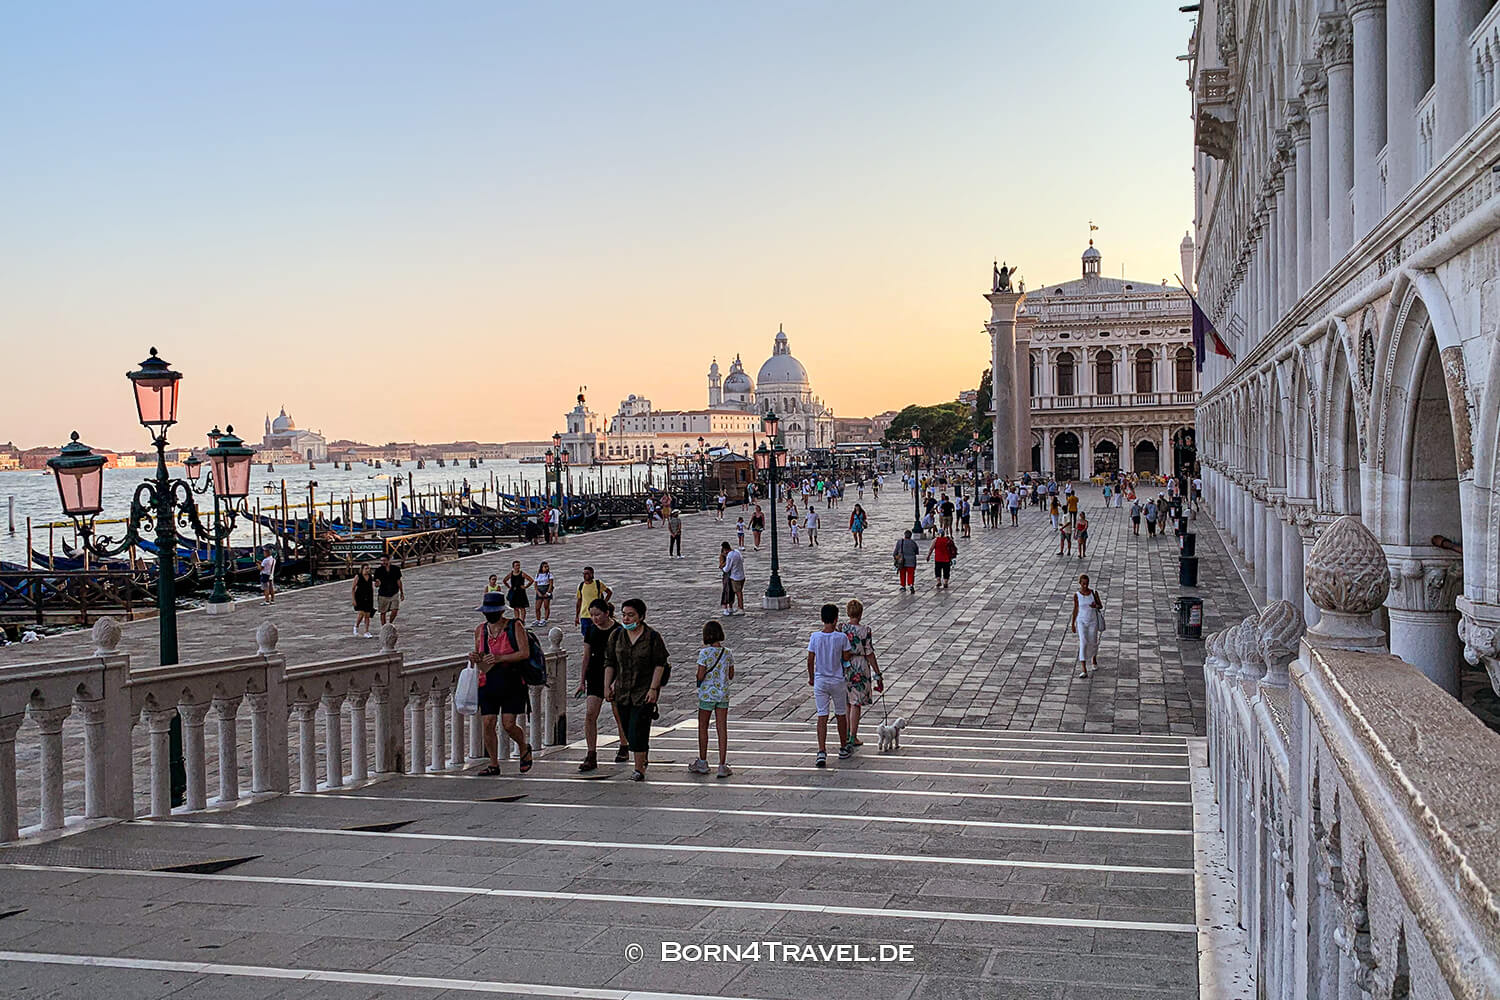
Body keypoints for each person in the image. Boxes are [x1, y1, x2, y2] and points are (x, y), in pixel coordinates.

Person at [604, 598, 669, 781]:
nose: (626, 619)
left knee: (638, 728)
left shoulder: (652, 637)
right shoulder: (616, 636)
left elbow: (660, 663)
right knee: (627, 727)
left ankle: (639, 768)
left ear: (640, 617)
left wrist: (653, 688)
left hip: (644, 691)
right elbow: (610, 662)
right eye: (624, 615)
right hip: (622, 691)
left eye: (631, 615)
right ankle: (643, 753)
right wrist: (607, 685)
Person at [470, 592, 533, 775]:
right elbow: (479, 653)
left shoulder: (515, 626)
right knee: (488, 722)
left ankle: (523, 747)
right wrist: (475, 657)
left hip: (512, 681)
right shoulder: (480, 630)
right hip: (487, 681)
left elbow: (524, 653)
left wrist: (500, 658)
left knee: (508, 724)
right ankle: (493, 763)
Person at [576, 598, 624, 770]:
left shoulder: (618, 630)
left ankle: (624, 744)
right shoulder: (590, 630)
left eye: (597, 614)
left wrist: (616, 681)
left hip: (615, 674)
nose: (594, 618)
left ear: (607, 613)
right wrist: (581, 681)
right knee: (590, 714)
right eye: (592, 615)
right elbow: (586, 656)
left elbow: (622, 658)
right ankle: (591, 753)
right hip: (595, 675)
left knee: (618, 713)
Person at [807, 603, 853, 766]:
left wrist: (811, 677)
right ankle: (842, 746)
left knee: (822, 715)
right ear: (835, 619)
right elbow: (847, 657)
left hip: (821, 680)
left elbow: (810, 659)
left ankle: (821, 751)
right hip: (837, 680)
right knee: (841, 714)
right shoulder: (841, 637)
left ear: (822, 619)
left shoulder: (815, 637)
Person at [691, 619, 735, 778]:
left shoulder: (704, 653)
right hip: (723, 694)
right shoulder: (727, 652)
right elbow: (731, 675)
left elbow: (700, 674)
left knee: (703, 727)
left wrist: (699, 680)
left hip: (707, 695)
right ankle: (722, 764)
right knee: (721, 728)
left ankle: (702, 761)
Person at [840, 599, 880, 748]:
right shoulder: (865, 631)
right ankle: (853, 736)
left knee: (847, 702)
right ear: (861, 613)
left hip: (845, 665)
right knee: (856, 703)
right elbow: (869, 652)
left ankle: (847, 732)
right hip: (860, 665)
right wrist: (877, 673)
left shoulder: (842, 628)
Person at [1069, 573, 1105, 679]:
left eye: (1087, 583)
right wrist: (1073, 623)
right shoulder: (1077, 595)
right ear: (1080, 583)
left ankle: (1093, 658)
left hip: (1092, 621)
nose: (1085, 586)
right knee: (1083, 642)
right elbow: (1075, 609)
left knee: (1093, 642)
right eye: (1083, 584)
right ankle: (1084, 668)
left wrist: (1095, 605)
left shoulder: (1093, 593)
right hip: (1081, 621)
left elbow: (1100, 606)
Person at [575, 566, 612, 637]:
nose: (585, 575)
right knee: (586, 635)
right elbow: (579, 601)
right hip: (585, 614)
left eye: (587, 573)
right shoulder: (581, 586)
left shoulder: (598, 584)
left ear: (592, 574)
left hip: (597, 614)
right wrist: (577, 616)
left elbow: (609, 592)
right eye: (584, 574)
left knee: (598, 633)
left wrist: (604, 603)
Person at [373, 555, 404, 624]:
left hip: (394, 592)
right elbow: (376, 583)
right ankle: (384, 627)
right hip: (383, 593)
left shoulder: (396, 569)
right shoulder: (378, 570)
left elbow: (398, 581)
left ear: (388, 560)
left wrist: (401, 592)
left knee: (395, 609)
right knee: (383, 612)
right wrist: (377, 583)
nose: (383, 562)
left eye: (384, 560)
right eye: (381, 560)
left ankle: (390, 623)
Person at [718, 541, 745, 615]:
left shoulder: (730, 555)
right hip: (742, 575)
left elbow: (727, 568)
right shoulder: (737, 551)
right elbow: (742, 559)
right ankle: (735, 607)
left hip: (735, 577)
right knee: (737, 592)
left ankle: (741, 608)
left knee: (738, 593)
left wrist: (722, 568)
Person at [351, 564, 374, 638]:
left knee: (367, 615)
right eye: (366, 568)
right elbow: (353, 588)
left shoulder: (370, 577)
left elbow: (371, 586)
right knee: (361, 613)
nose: (368, 570)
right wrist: (353, 599)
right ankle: (356, 626)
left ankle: (366, 631)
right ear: (362, 569)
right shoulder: (358, 576)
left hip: (368, 596)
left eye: (368, 569)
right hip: (360, 596)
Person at [532, 561, 554, 625]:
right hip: (539, 590)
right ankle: (538, 619)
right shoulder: (538, 574)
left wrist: (548, 592)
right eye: (545, 567)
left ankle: (545, 619)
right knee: (537, 607)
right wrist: (537, 592)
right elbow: (535, 584)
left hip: (546, 589)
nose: (546, 568)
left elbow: (550, 584)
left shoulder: (549, 574)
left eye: (547, 567)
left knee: (546, 606)